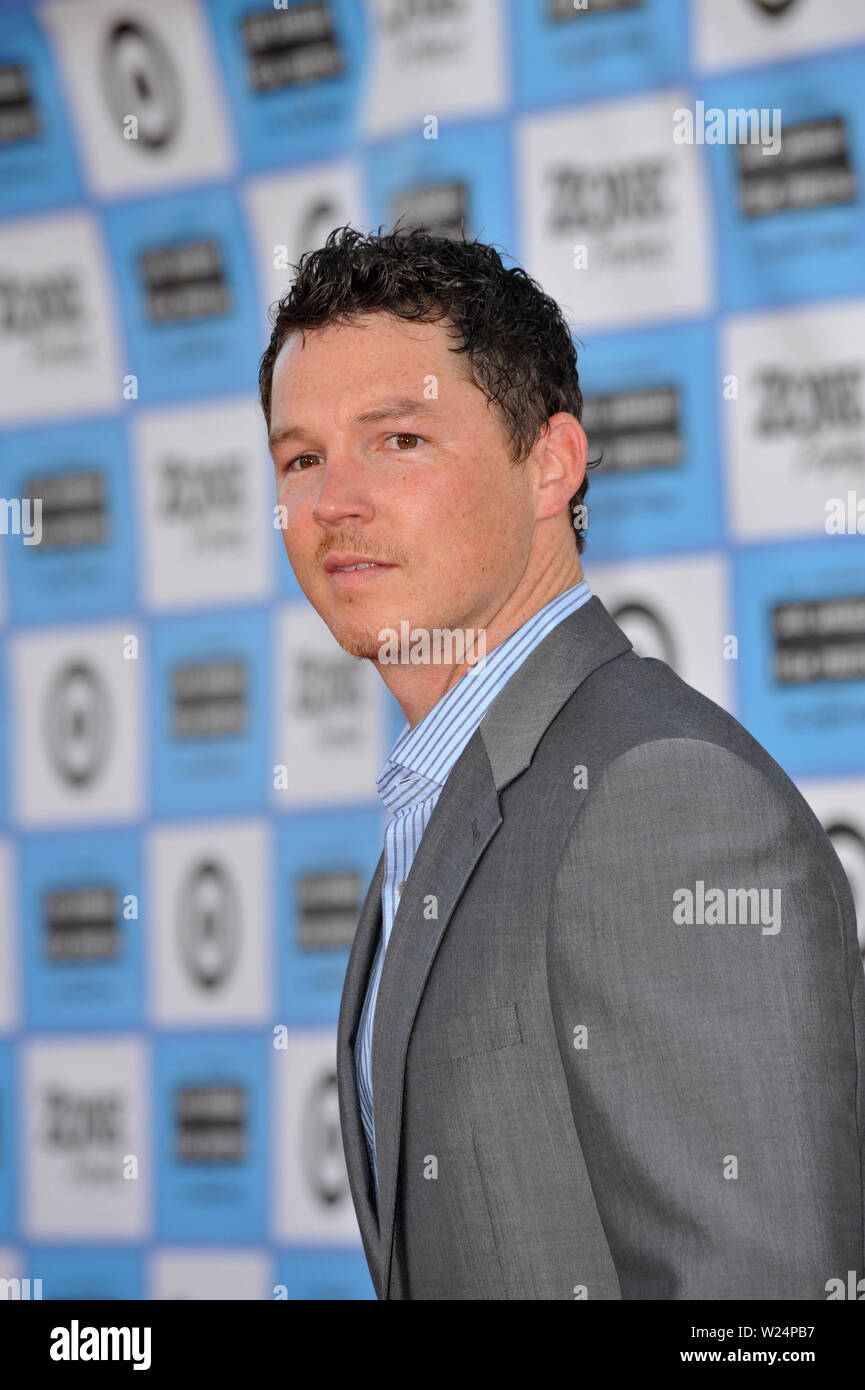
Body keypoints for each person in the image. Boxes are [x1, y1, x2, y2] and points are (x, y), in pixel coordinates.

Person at [259, 224, 865, 1300]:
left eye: (397, 440)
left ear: (551, 463)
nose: (332, 500)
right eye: (301, 457)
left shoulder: (662, 801)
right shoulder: (452, 789)